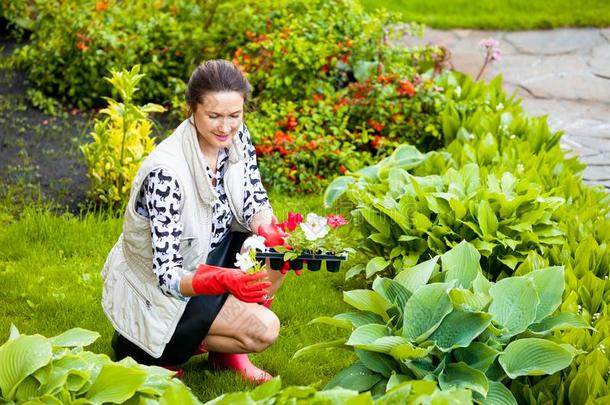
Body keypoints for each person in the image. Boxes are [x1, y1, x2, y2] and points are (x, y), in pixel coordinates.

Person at [101, 59, 290, 383]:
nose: (226, 127)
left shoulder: (235, 137)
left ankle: (226, 352)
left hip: (212, 253)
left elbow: (252, 195)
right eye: (214, 116)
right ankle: (148, 353)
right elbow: (168, 276)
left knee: (277, 255)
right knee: (264, 328)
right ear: (192, 109)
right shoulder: (167, 174)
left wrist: (268, 230)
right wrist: (225, 281)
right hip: (165, 291)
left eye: (235, 115)